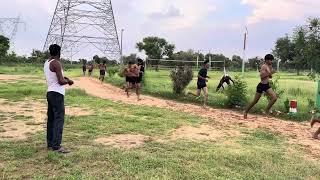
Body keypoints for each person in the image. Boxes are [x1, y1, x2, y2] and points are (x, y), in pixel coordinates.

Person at [44, 44, 74, 154]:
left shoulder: (47, 63)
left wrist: (65, 78)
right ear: (59, 52)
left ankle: (50, 144)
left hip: (50, 92)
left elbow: (56, 77)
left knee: (51, 119)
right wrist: (69, 82)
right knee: (59, 119)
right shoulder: (56, 63)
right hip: (57, 94)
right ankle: (57, 146)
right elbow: (61, 81)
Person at [244, 54, 278, 119]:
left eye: (272, 60)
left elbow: (270, 76)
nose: (271, 61)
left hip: (266, 85)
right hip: (261, 85)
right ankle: (246, 111)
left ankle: (266, 111)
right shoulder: (264, 66)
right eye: (270, 60)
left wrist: (270, 73)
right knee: (255, 101)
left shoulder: (269, 66)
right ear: (266, 60)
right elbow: (261, 76)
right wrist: (270, 73)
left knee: (274, 98)